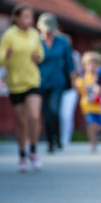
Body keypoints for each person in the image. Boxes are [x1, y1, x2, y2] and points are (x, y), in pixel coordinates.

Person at [0, 4, 44, 172]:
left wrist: (38, 56)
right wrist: (6, 56)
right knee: (21, 121)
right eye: (26, 16)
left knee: (34, 116)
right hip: (15, 82)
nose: (29, 20)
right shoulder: (9, 35)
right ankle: (22, 155)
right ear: (16, 18)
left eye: (31, 17)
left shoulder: (35, 34)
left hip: (32, 80)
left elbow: (40, 54)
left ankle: (34, 150)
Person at [37, 13, 75, 153]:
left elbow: (69, 62)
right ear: (39, 27)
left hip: (57, 81)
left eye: (50, 29)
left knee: (54, 110)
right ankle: (49, 142)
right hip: (40, 81)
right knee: (46, 113)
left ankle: (57, 137)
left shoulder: (62, 41)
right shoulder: (36, 42)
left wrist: (73, 79)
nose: (48, 32)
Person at [75, 51, 101, 153]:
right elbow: (79, 90)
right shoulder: (82, 79)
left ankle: (98, 134)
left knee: (100, 125)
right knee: (91, 124)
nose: (92, 66)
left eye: (95, 63)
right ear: (84, 66)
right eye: (89, 64)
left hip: (100, 106)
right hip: (88, 106)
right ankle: (92, 142)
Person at [60, 45, 81, 147]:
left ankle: (66, 138)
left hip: (70, 89)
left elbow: (78, 72)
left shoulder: (74, 56)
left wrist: (75, 85)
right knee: (56, 114)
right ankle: (57, 137)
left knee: (67, 115)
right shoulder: (56, 55)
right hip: (57, 89)